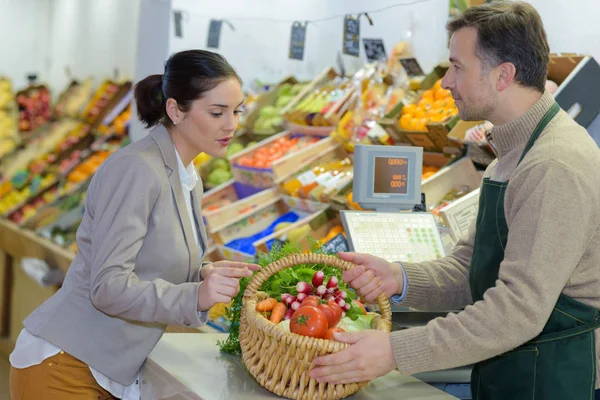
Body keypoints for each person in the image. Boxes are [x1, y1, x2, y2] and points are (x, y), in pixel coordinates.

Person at [310, 3, 600, 399]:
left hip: (557, 376)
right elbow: (473, 268)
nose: (445, 81)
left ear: (503, 75)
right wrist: (398, 277)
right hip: (516, 369)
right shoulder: (513, 149)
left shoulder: (552, 164)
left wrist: (396, 351)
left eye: (456, 67)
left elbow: (518, 309)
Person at [9, 50, 260, 399]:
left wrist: (204, 273)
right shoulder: (138, 169)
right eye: (217, 112)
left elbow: (150, 259)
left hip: (110, 370)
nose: (231, 124)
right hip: (65, 367)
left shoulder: (187, 177)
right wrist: (196, 295)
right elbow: (108, 287)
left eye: (237, 111)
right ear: (175, 110)